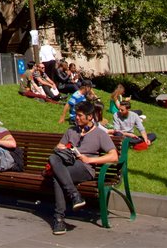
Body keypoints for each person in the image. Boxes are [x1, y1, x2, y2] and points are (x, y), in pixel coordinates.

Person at [49, 101, 119, 235]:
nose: (77, 118)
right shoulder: (71, 130)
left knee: (58, 176)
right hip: (68, 164)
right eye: (76, 115)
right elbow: (59, 146)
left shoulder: (100, 134)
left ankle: (59, 219)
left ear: (90, 117)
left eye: (80, 116)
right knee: (53, 158)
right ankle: (74, 195)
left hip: (85, 168)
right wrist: (63, 148)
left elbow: (114, 156)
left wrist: (90, 159)